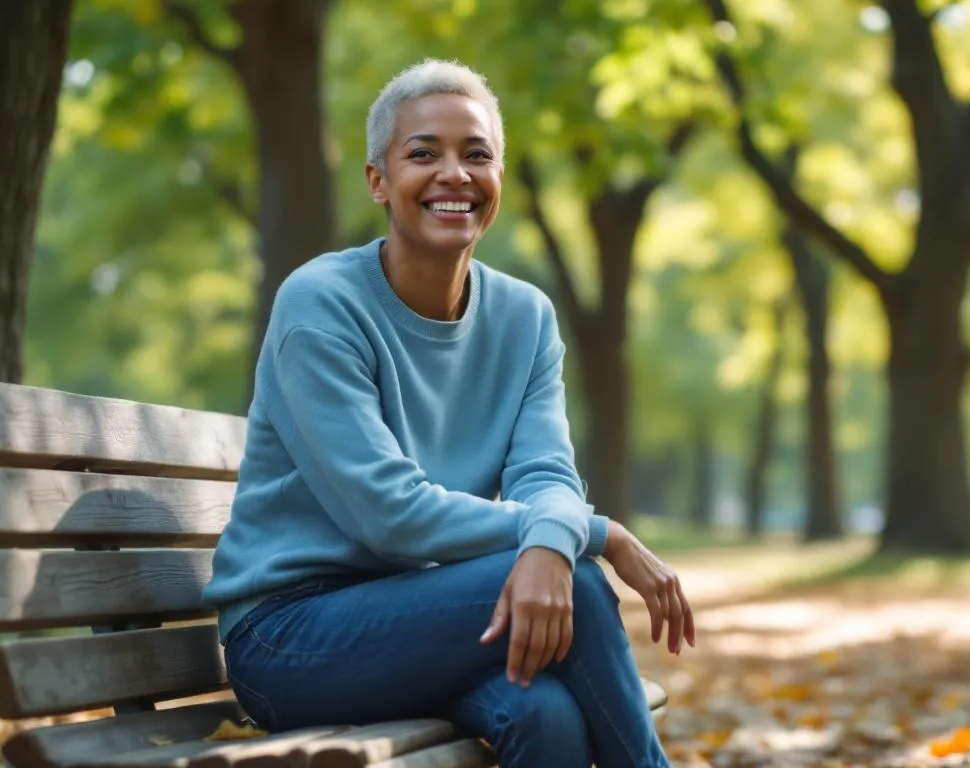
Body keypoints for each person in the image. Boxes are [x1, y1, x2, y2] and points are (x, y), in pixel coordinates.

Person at [203, 58, 694, 768]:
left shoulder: (525, 318)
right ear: (378, 180)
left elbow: (547, 474)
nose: (454, 174)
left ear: (499, 178)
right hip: (291, 637)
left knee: (544, 712)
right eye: (423, 154)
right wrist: (594, 535)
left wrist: (554, 535)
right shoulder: (319, 305)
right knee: (582, 584)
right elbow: (389, 514)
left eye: (477, 155)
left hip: (434, 612)